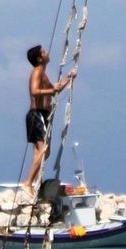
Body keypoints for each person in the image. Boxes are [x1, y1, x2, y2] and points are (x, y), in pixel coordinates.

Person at [22, 45, 76, 192]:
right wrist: (52, 90)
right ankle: (27, 183)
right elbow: (34, 91)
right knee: (42, 151)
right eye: (44, 52)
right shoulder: (37, 72)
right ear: (40, 58)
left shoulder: (43, 74)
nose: (47, 53)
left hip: (44, 115)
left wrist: (68, 78)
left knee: (43, 152)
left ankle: (34, 183)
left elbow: (54, 90)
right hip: (37, 114)